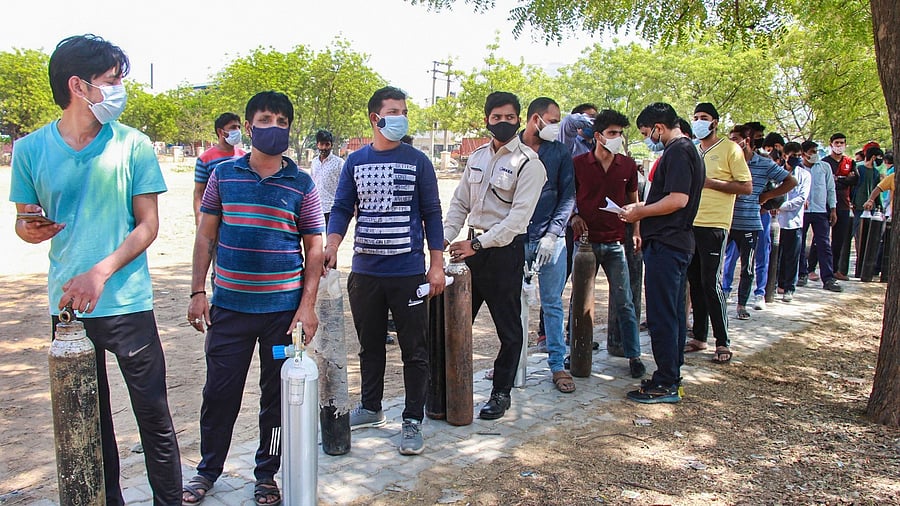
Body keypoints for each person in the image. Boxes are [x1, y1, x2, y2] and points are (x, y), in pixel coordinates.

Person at [9, 34, 182, 505]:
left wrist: (101, 272)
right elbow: (25, 221)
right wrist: (30, 229)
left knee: (154, 419)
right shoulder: (29, 151)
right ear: (77, 86)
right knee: (90, 421)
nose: (119, 90)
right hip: (68, 307)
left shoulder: (133, 145)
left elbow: (148, 226)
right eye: (110, 80)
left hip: (127, 303)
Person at [184, 91, 325, 505]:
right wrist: (198, 291)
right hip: (229, 310)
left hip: (282, 316)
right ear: (248, 127)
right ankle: (207, 470)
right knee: (219, 394)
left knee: (276, 399)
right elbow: (205, 237)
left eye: (282, 121)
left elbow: (314, 248)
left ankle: (267, 474)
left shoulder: (302, 184)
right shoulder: (223, 176)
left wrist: (307, 307)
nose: (274, 128)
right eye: (265, 120)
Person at [325, 86, 445, 455]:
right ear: (375, 118)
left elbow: (432, 213)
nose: (401, 118)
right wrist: (332, 244)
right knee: (370, 345)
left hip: (408, 273)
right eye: (394, 112)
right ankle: (371, 407)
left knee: (415, 349)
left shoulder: (418, 161)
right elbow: (342, 207)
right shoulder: (355, 162)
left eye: (404, 111)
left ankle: (412, 419)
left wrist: (436, 265)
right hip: (365, 273)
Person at [444, 91, 546, 419]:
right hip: (469, 252)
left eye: (509, 117)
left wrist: (476, 245)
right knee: (453, 323)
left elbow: (518, 220)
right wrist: (443, 238)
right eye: (496, 117)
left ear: (519, 120)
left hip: (503, 253)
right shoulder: (476, 157)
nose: (503, 122)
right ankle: (446, 390)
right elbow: (460, 203)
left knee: (509, 330)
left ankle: (501, 393)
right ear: (486, 120)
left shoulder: (529, 164)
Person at [620, 102, 704, 403]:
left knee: (662, 315)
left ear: (658, 127)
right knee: (673, 313)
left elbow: (678, 199)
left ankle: (667, 381)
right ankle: (670, 373)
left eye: (646, 133)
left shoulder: (679, 151)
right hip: (675, 242)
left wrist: (640, 212)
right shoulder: (685, 150)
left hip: (669, 244)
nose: (647, 139)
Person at [570, 109, 646, 379]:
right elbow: (568, 198)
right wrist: (574, 216)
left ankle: (634, 355)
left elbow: (634, 201)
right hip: (585, 245)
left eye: (620, 133)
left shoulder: (627, 165)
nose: (617, 138)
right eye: (612, 133)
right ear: (598, 136)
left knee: (625, 301)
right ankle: (575, 351)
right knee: (579, 302)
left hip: (615, 243)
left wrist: (635, 230)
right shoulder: (578, 164)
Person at [683, 103, 752, 364]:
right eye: (696, 117)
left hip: (715, 224)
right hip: (691, 223)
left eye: (704, 117)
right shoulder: (693, 150)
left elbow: (746, 186)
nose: (699, 121)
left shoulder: (730, 149)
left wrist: (712, 183)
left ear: (715, 122)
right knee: (695, 281)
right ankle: (699, 336)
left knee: (711, 282)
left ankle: (722, 341)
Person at [518, 97, 576, 392]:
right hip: (516, 239)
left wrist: (553, 234)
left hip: (551, 241)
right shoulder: (512, 148)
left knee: (552, 304)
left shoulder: (560, 152)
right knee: (512, 305)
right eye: (553, 121)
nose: (556, 126)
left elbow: (568, 197)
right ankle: (512, 364)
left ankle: (557, 365)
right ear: (535, 119)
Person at [721, 124, 795, 318]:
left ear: (747, 141)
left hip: (750, 222)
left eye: (735, 139)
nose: (732, 143)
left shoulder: (763, 163)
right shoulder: (725, 160)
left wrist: (767, 196)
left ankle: (743, 305)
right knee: (721, 263)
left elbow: (790, 181)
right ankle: (721, 296)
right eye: (730, 139)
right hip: (723, 221)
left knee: (748, 266)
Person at [797, 140, 843, 292]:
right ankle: (801, 273)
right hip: (801, 211)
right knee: (799, 243)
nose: (815, 154)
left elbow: (831, 189)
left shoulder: (824, 167)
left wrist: (833, 209)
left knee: (824, 244)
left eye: (816, 151)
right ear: (804, 153)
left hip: (820, 211)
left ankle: (828, 278)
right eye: (812, 152)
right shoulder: (798, 168)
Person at [811, 133, 858, 281]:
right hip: (825, 204)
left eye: (842, 143)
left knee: (839, 239)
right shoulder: (824, 163)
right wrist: (843, 179)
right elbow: (826, 183)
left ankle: (835, 269)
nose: (839, 145)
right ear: (831, 144)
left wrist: (839, 180)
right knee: (820, 238)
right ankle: (811, 268)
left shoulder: (850, 162)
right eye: (836, 142)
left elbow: (855, 179)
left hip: (843, 204)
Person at [776, 141, 812, 302]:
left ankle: (789, 287)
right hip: (776, 222)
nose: (796, 158)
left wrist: (780, 206)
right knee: (776, 255)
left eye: (799, 155)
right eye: (793, 155)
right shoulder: (776, 172)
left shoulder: (804, 175)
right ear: (785, 156)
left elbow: (801, 198)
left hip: (794, 221)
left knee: (792, 256)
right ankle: (776, 284)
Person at [194, 112, 245, 225]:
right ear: (221, 132)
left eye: (238, 127)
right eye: (233, 127)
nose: (237, 131)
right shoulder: (205, 159)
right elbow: (199, 192)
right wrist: (199, 220)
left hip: (238, 217)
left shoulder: (244, 157)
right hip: (214, 217)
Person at [310, 129, 344, 226]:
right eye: (321, 144)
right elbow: (312, 183)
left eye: (327, 144)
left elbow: (345, 186)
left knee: (331, 234)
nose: (324, 147)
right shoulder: (314, 162)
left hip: (332, 208)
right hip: (316, 208)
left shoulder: (339, 163)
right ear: (317, 145)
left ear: (331, 145)